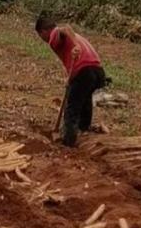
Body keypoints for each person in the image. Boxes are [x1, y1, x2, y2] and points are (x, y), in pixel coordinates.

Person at [35, 13, 106, 147]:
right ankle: (84, 129)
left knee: (72, 108)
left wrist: (75, 45)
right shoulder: (78, 37)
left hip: (84, 71)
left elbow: (65, 28)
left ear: (43, 31)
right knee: (84, 99)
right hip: (98, 72)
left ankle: (68, 141)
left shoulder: (53, 36)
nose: (43, 39)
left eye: (40, 36)